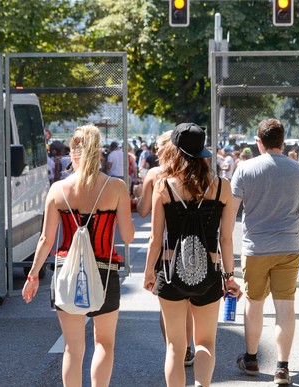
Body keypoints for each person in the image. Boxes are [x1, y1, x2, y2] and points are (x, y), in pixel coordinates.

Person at [22, 124, 134, 387]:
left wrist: (33, 274)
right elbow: (128, 237)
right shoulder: (116, 187)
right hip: (105, 270)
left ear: (73, 151)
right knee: (104, 343)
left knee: (72, 348)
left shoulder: (58, 190)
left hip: (66, 270)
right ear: (99, 152)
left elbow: (46, 240)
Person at [143, 123, 241, 387]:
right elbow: (226, 239)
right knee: (206, 342)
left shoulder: (164, 186)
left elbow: (155, 238)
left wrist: (149, 272)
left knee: (175, 346)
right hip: (210, 273)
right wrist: (229, 277)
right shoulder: (223, 187)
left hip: (170, 271)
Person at [230, 118, 299, 385]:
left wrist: (226, 244)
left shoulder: (244, 169)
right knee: (285, 307)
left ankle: (251, 358)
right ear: (283, 142)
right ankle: (282, 367)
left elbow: (231, 211)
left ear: (259, 143)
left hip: (255, 248)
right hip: (288, 248)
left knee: (254, 303)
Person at [137, 130, 196, 367]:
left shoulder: (155, 174)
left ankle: (174, 348)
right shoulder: (193, 173)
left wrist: (141, 193)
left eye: (158, 147)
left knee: (168, 305)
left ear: (167, 148)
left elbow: (142, 211)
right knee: (189, 302)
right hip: (193, 244)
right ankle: (187, 348)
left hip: (166, 246)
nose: (155, 152)